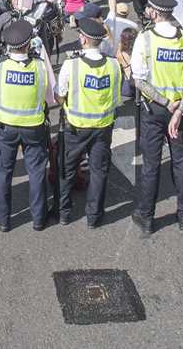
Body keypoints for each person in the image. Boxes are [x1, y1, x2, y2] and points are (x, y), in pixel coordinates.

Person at [130, 0, 183, 234]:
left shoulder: (146, 38)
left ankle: (147, 217)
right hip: (179, 112)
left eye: (149, 9)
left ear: (155, 13)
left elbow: (139, 80)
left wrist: (165, 102)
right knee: (181, 163)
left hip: (155, 110)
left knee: (151, 165)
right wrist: (179, 108)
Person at [0, 20, 56, 232]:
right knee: (36, 172)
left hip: (5, 126)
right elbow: (47, 92)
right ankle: (38, 218)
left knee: (2, 173)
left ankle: (2, 219)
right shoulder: (39, 66)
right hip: (34, 127)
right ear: (29, 44)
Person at [55, 18, 122, 227]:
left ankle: (64, 212)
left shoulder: (71, 64)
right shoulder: (113, 65)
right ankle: (94, 216)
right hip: (102, 127)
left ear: (83, 40)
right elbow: (116, 97)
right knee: (98, 170)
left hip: (76, 127)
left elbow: (60, 96)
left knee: (67, 169)